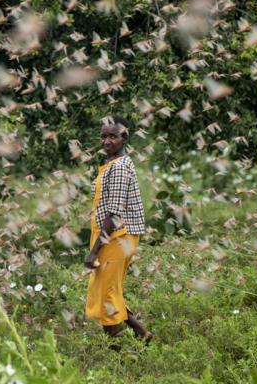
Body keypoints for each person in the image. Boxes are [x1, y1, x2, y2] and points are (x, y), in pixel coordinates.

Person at [84, 115, 153, 345]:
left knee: (106, 297)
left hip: (117, 237)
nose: (106, 141)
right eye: (103, 136)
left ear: (124, 138)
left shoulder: (120, 167)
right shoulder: (111, 165)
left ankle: (122, 356)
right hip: (112, 237)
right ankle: (142, 334)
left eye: (112, 136)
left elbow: (114, 215)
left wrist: (93, 252)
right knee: (110, 290)